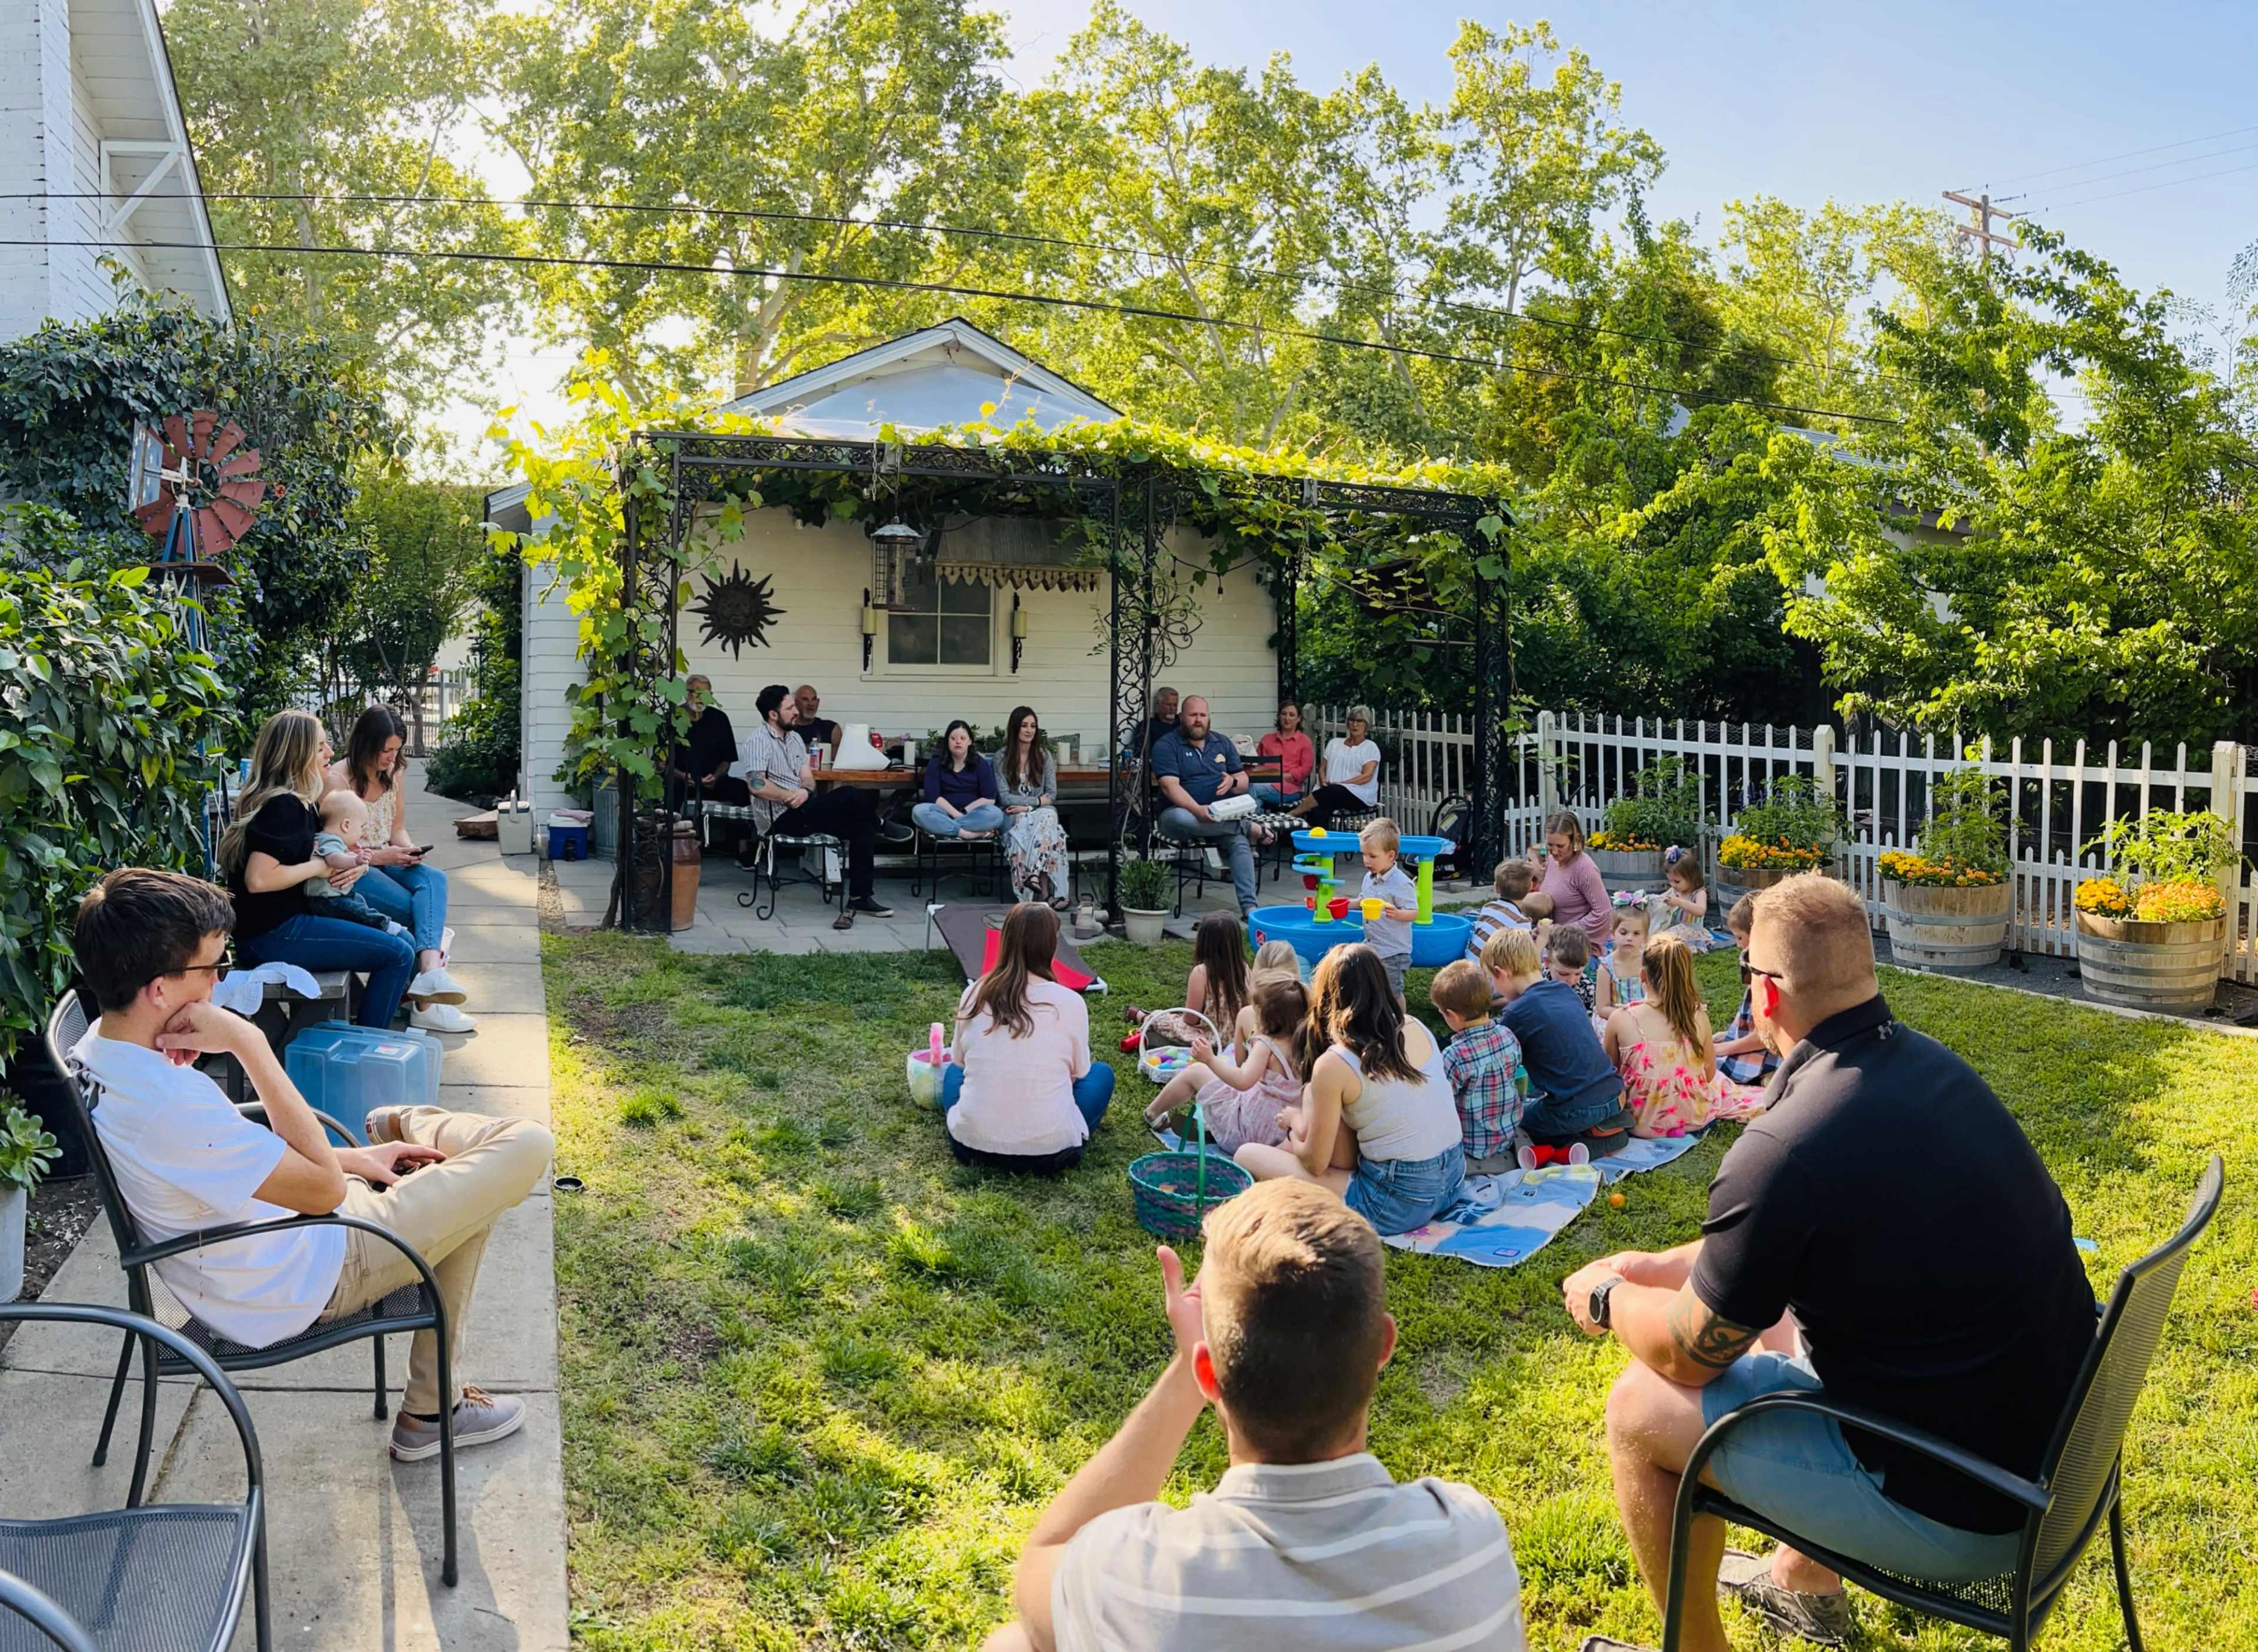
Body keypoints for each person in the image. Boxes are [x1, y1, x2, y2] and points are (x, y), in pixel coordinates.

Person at [1566, 872, 2099, 1652]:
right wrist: (1660, 1261)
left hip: (1970, 1511)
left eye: (1747, 972)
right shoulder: (1936, 1072)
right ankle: (1803, 1580)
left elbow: (1685, 1352)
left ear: (1768, 995)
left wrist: (1611, 1295)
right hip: (2059, 1470)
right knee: (1788, 1317)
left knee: (1640, 1410)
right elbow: (1797, 1240)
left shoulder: (1786, 1144)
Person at [69, 868, 552, 1461]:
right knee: (525, 1145)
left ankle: (434, 1404)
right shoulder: (169, 1105)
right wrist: (248, 1042)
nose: (220, 987)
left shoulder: (101, 1047)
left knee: (465, 1182)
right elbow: (322, 1190)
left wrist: (353, 1158)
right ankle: (405, 1119)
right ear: (160, 989)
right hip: (302, 1277)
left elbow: (227, 1162)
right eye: (213, 970)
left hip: (262, 1252)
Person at [984, 1177, 1526, 1652]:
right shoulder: (1471, 1539)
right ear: (1383, 1344)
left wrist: (1184, 1373)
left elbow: (1044, 1562)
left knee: (1012, 1644)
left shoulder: (1135, 1574)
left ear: (1208, 1375)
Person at [1236, 945, 1466, 1238]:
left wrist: (1295, 1124)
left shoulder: (1336, 1063)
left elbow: (1314, 1163)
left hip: (1397, 1203)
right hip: (1453, 1180)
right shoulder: (1415, 1026)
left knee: (1247, 1155)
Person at [223, 711, 417, 1031]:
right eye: (321, 747)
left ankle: (353, 1038)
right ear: (296, 754)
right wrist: (320, 867)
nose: (330, 753)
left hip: (286, 924)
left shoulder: (301, 802)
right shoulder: (282, 806)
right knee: (397, 954)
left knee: (401, 945)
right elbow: (259, 879)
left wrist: (352, 868)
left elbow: (329, 850)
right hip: (272, 934)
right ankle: (363, 1052)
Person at [941, 904, 1114, 1173]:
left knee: (952, 1073)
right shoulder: (1071, 1002)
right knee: (1101, 1074)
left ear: (1005, 940)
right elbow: (1080, 1072)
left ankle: (981, 1118)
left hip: (971, 1147)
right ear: (1052, 947)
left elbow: (960, 1062)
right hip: (1051, 1152)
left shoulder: (974, 992)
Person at [325, 705, 468, 1025]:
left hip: (388, 859)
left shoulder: (394, 773)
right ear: (366, 744)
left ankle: (429, 977)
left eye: (397, 750)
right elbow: (332, 848)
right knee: (413, 910)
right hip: (354, 867)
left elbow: (397, 829)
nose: (392, 757)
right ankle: (424, 1006)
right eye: (386, 750)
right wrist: (381, 856)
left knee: (434, 880)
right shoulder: (337, 779)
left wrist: (409, 849)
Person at [737, 683, 900, 930]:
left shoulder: (793, 739)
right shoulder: (758, 740)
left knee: (861, 823)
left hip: (803, 809)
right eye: (790, 707)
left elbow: (808, 777)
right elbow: (756, 784)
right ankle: (881, 823)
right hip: (778, 819)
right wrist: (788, 796)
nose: (796, 712)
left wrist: (804, 791)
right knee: (849, 794)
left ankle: (860, 896)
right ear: (773, 714)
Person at [1484, 928, 1631, 1164]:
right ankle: (1605, 1130)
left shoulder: (1516, 1012)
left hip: (1578, 1108)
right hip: (1616, 1094)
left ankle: (1585, 1143)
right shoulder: (1565, 990)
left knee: (1516, 1125)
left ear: (1501, 973)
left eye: (1492, 980)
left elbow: (1498, 1067)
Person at [1601, 934, 1765, 1139]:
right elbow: (1709, 1074)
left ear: (1643, 976)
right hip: (1694, 1115)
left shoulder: (1622, 1018)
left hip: (1641, 1123)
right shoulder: (1698, 1016)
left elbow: (1610, 1076)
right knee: (1724, 1085)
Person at [1143, 973, 1304, 1157]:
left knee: (1196, 1072)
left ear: (1268, 1017)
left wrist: (1210, 1060)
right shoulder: (1307, 1045)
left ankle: (1152, 1114)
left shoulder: (1267, 1044)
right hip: (1281, 1135)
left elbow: (1243, 1081)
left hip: (1247, 1130)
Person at [1151, 695, 1260, 914]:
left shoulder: (1222, 743)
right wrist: (1197, 810)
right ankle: (1247, 827)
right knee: (1185, 818)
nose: (1198, 720)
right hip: (1178, 817)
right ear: (1182, 718)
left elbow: (1244, 782)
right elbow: (1169, 787)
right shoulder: (1167, 745)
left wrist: (1234, 781)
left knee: (1239, 842)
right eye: (1193, 715)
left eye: (1202, 715)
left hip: (1219, 817)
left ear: (1209, 718)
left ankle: (1250, 909)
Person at [1431, 959, 1527, 1173]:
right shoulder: (1508, 1036)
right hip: (1508, 1132)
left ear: (1453, 1016)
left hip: (1472, 1145)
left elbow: (1440, 1105)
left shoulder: (1453, 1056)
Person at [995, 705, 1070, 907]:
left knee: (1048, 818)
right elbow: (1005, 798)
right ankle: (1049, 893)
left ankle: (1036, 880)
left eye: (1033, 726)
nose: (1029, 730)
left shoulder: (1044, 756)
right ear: (1015, 728)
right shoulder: (1001, 757)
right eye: (1024, 726)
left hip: (1037, 815)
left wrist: (1028, 807)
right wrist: (1037, 803)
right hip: (1013, 817)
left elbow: (1051, 795)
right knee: (1053, 831)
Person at [302, 790, 403, 931]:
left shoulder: (331, 840)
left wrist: (352, 854)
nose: (362, 833)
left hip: (334, 896)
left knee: (359, 902)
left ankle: (384, 924)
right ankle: (384, 925)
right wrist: (355, 860)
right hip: (324, 901)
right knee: (357, 911)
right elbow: (333, 859)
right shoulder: (328, 840)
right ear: (346, 826)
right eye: (361, 827)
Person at [1712, 895, 1779, 1089]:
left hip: (1767, 1055)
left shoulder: (1768, 978)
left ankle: (1772, 1078)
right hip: (1758, 1047)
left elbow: (1765, 1036)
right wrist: (1730, 1034)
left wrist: (1722, 1049)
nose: (1738, 944)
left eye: (1740, 938)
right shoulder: (1759, 966)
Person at [1355, 817, 1420, 1003]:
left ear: (1390, 856)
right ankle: (1379, 1018)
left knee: (1393, 992)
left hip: (1393, 951)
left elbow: (1414, 912)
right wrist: (1346, 903)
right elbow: (1363, 900)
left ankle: (1401, 1023)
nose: (1367, 860)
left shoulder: (1401, 884)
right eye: (1364, 854)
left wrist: (1399, 914)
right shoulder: (1369, 877)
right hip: (1373, 945)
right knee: (1373, 987)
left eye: (1372, 856)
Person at [1287, 705, 1382, 828]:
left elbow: (1367, 777)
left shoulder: (1370, 747)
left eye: (1360, 721)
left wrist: (1342, 784)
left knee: (1333, 792)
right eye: (1352, 720)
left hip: (1358, 794)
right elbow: (1322, 768)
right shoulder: (1334, 743)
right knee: (1321, 807)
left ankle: (1293, 813)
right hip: (1329, 792)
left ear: (1366, 725)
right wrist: (1323, 781)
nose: (1355, 724)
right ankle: (1320, 844)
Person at [1527, 811, 1612, 944]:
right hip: (1554, 942)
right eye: (1550, 845)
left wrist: (1565, 930)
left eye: (1561, 846)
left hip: (1579, 948)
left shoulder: (1584, 868)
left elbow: (1604, 913)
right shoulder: (1551, 861)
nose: (1554, 851)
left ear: (1575, 840)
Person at [914, 720, 1005, 840]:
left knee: (996, 815)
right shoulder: (936, 762)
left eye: (963, 738)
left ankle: (944, 830)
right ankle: (966, 834)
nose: (958, 742)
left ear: (970, 741)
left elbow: (989, 798)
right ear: (947, 741)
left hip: (973, 814)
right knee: (919, 811)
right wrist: (955, 814)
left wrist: (965, 812)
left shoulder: (980, 764)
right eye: (953, 738)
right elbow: (933, 796)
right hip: (943, 813)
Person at [671, 674, 750, 807]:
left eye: (707, 694)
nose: (702, 698)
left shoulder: (719, 719)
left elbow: (727, 760)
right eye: (698, 693)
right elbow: (661, 765)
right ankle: (674, 827)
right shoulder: (672, 718)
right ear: (686, 694)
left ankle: (738, 828)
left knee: (742, 789)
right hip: (681, 782)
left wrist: (716, 777)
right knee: (671, 790)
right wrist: (683, 776)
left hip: (712, 783)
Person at [1183, 909, 1252, 1039]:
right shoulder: (1245, 969)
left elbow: (1190, 1019)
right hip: (1239, 1038)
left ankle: (1143, 1017)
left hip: (1207, 1039)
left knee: (1161, 1019)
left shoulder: (1201, 972)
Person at [1594, 903, 1652, 1022]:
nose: (1629, 938)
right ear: (1612, 933)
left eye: (1636, 933)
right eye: (1624, 933)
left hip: (1646, 1017)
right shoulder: (1606, 968)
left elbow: (1659, 997)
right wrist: (1629, 1017)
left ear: (1645, 937)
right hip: (1617, 1020)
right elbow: (1602, 1008)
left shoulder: (1650, 962)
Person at [1252, 700, 1315, 809]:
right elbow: (1256, 765)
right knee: (1255, 801)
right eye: (1284, 714)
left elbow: (1306, 770)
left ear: (1299, 719)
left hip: (1289, 790)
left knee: (1251, 788)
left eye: (1292, 715)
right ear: (1279, 716)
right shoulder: (1267, 739)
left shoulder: (1304, 741)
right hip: (1265, 784)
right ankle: (1259, 824)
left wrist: (1281, 777)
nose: (1287, 718)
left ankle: (1247, 824)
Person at [1468, 858, 1536, 958]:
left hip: (1471, 962)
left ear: (1496, 888)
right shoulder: (1522, 923)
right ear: (1531, 887)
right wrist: (1542, 939)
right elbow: (1529, 959)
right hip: (1490, 971)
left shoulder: (1489, 907)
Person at [1651, 845, 1712, 949]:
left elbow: (1701, 911)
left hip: (1692, 931)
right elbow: (1661, 899)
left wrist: (1679, 902)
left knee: (1665, 939)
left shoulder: (1699, 893)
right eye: (1670, 881)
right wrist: (1651, 900)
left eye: (1677, 881)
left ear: (1691, 877)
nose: (1673, 885)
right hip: (1675, 927)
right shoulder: (1674, 890)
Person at [1546, 924, 1596, 1014]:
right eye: (1563, 974)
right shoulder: (1537, 981)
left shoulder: (1586, 986)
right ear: (1548, 962)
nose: (1572, 981)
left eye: (1578, 974)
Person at [793, 684, 840, 753]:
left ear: (818, 702)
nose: (811, 704)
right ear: (796, 703)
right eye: (805, 700)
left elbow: (836, 761)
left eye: (814, 699)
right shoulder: (787, 730)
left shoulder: (831, 729)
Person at [1138, 685, 1180, 762]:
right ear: (1158, 704)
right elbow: (1141, 754)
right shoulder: (1147, 726)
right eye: (1168, 705)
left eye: (1175, 705)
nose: (1172, 709)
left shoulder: (1183, 723)